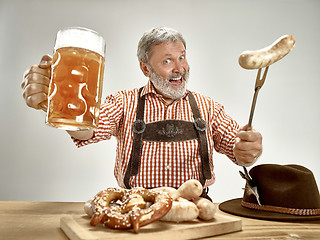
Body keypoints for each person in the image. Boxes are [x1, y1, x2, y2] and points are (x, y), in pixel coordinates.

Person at [21, 27, 262, 196]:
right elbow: (88, 130)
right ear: (145, 68)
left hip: (195, 208)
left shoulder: (207, 107)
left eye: (182, 57)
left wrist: (248, 147)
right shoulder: (124, 103)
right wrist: (62, 102)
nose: (180, 68)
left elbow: (238, 149)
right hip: (135, 206)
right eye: (167, 61)